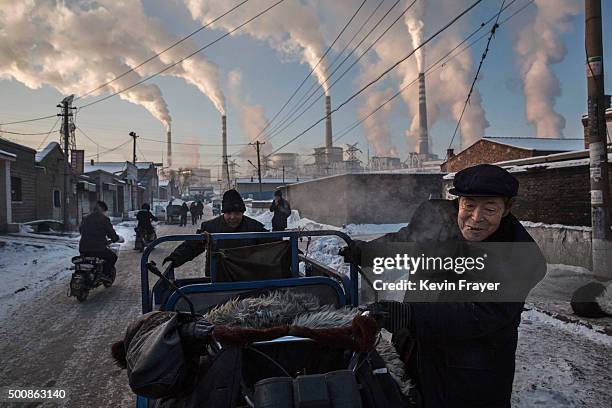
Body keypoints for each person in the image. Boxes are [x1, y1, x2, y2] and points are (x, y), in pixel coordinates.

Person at [342, 164, 546, 408]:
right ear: (458, 201)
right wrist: (366, 253)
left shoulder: (520, 256)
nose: (476, 218)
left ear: (507, 208)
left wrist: (410, 315)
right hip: (415, 351)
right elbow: (407, 241)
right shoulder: (437, 217)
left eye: (489, 208)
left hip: (467, 372)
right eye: (469, 205)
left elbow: (479, 314)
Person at [163, 189, 270, 274]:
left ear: (242, 212)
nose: (232, 217)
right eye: (228, 213)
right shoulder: (210, 228)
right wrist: (174, 259)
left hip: (246, 278)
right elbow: (192, 246)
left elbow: (274, 245)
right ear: (223, 213)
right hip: (217, 280)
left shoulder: (255, 228)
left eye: (237, 213)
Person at [79, 201, 121, 280]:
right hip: (98, 249)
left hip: (83, 249)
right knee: (112, 257)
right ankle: (105, 274)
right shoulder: (104, 219)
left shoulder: (85, 218)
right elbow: (111, 234)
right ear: (102, 209)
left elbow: (81, 230)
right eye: (105, 211)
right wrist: (115, 238)